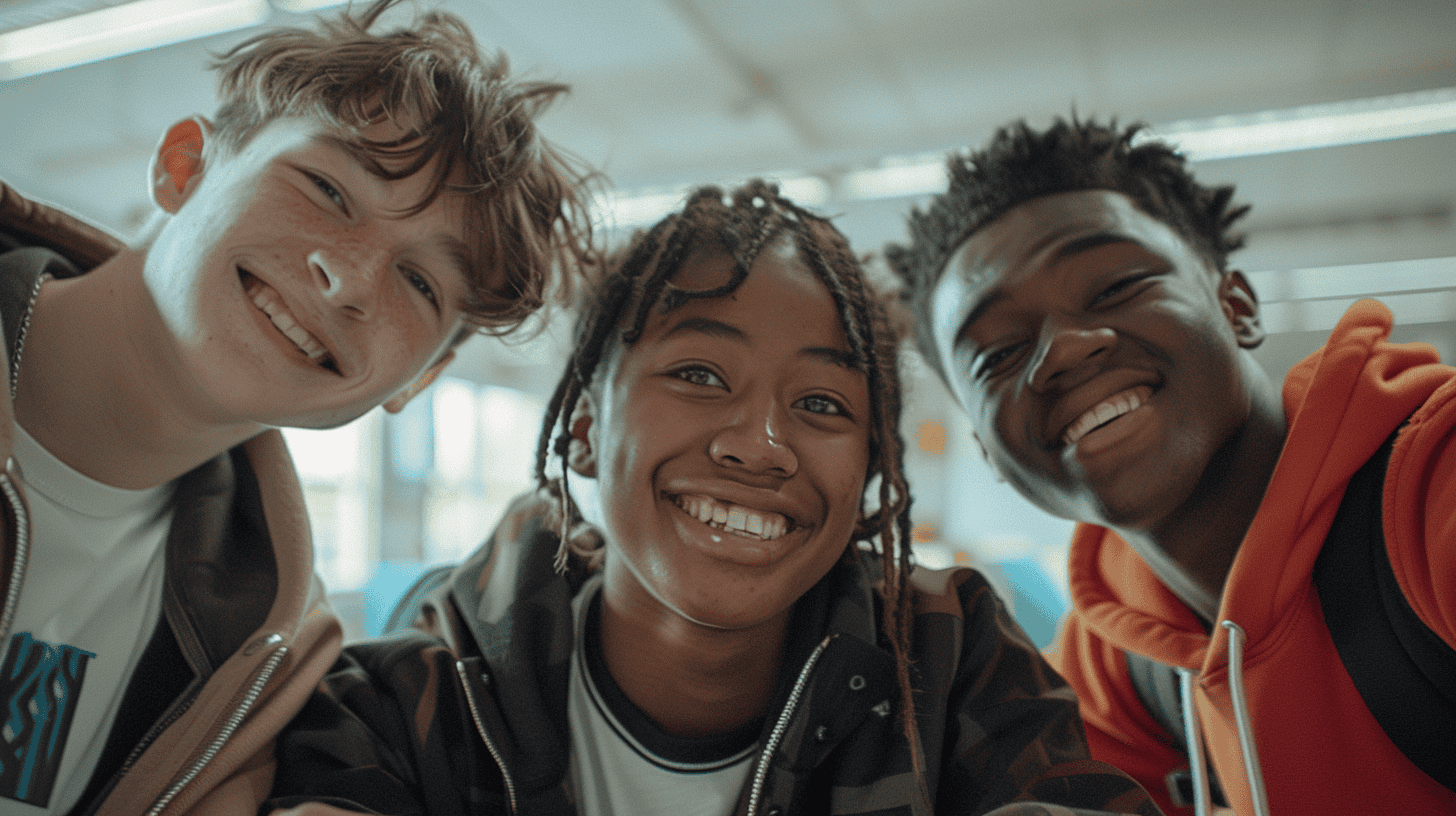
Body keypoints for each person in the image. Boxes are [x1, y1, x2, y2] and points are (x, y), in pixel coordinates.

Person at [263, 180, 1161, 815]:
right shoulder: (411, 700)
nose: (757, 444)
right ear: (581, 425)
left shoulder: (952, 660)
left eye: (821, 404)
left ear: (872, 473)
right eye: (698, 373)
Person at [0, 0, 593, 811]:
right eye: (326, 188)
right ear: (184, 167)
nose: (348, 280)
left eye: (420, 283)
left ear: (418, 380)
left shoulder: (268, 667)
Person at [886, 116, 1456, 815]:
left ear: (1235, 306)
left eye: (1115, 287)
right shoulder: (1117, 659)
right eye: (998, 353)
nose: (1063, 351)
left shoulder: (1433, 488)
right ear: (987, 451)